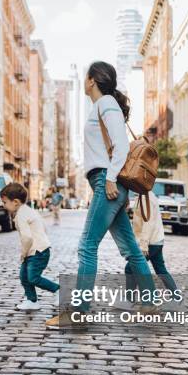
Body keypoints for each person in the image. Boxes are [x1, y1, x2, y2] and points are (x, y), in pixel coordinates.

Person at [46, 61, 155, 328]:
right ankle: (150, 302)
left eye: (86, 76)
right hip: (108, 181)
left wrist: (108, 179)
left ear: (92, 79)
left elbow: (120, 144)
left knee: (87, 245)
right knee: (130, 249)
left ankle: (79, 312)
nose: (84, 81)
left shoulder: (106, 103)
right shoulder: (102, 105)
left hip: (106, 180)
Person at [0, 183, 59, 310]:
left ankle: (59, 290)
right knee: (24, 277)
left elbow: (27, 238)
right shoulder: (29, 210)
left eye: (5, 202)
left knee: (33, 278)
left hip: (37, 251)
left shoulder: (21, 215)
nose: (3, 205)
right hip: (38, 250)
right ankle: (32, 301)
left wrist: (23, 253)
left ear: (15, 202)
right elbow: (43, 226)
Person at [125, 191, 177, 300]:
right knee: (161, 270)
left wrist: (143, 245)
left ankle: (129, 300)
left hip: (150, 243)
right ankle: (177, 299)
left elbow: (148, 222)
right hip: (156, 240)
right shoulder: (145, 195)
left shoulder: (145, 197)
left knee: (130, 268)